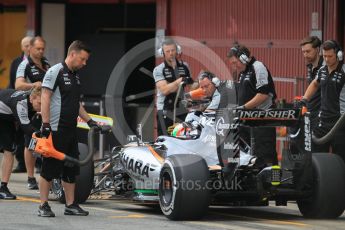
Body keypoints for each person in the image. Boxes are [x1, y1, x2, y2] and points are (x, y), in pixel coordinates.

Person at [39, 40, 100, 217]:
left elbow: (76, 104)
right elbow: (45, 97)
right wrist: (45, 124)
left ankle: (71, 204)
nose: (84, 63)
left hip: (70, 130)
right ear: (72, 54)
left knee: (71, 168)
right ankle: (43, 205)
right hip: (55, 129)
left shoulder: (75, 76)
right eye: (82, 59)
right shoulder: (55, 71)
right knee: (49, 169)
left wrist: (90, 121)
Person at [227, 44, 278, 167]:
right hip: (247, 120)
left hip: (263, 119)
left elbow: (263, 94)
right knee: (248, 154)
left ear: (244, 58)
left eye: (235, 62)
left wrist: (243, 108)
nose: (234, 66)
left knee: (265, 154)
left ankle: (272, 183)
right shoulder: (243, 72)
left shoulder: (258, 67)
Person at [15, 36, 50, 190]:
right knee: (31, 142)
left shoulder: (46, 63)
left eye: (43, 48)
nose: (41, 51)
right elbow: (18, 85)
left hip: (47, 108)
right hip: (30, 109)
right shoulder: (25, 64)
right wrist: (33, 84)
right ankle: (30, 178)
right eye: (38, 48)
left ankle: (46, 175)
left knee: (48, 140)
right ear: (30, 49)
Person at [301, 40, 345, 161]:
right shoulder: (322, 70)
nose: (326, 59)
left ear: (339, 55)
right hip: (323, 120)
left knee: (340, 158)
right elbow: (315, 84)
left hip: (340, 122)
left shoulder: (344, 71)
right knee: (316, 155)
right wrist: (305, 99)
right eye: (324, 56)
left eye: (330, 56)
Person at [0, 87, 42, 199]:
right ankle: (3, 188)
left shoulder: (33, 98)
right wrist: (42, 135)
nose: (41, 107)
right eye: (40, 103)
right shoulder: (21, 103)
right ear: (32, 98)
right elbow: (26, 127)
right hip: (3, 115)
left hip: (8, 116)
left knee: (11, 149)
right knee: (9, 150)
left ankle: (3, 188)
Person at [153, 38, 194, 136]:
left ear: (177, 50)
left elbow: (191, 86)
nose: (171, 53)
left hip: (181, 108)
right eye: (167, 51)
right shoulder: (158, 69)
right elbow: (164, 90)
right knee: (165, 140)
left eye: (173, 50)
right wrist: (179, 81)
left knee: (183, 138)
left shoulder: (185, 66)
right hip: (165, 109)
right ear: (163, 53)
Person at [8, 36, 32, 173]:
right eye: (27, 45)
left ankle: (39, 163)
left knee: (32, 132)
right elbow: (13, 83)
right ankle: (21, 163)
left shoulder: (40, 62)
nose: (29, 48)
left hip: (35, 102)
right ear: (23, 48)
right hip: (19, 100)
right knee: (19, 133)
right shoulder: (16, 62)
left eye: (31, 45)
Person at [300, 36, 324, 130]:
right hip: (311, 112)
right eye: (303, 52)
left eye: (308, 51)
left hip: (322, 114)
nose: (305, 55)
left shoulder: (325, 66)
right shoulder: (310, 66)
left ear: (317, 49)